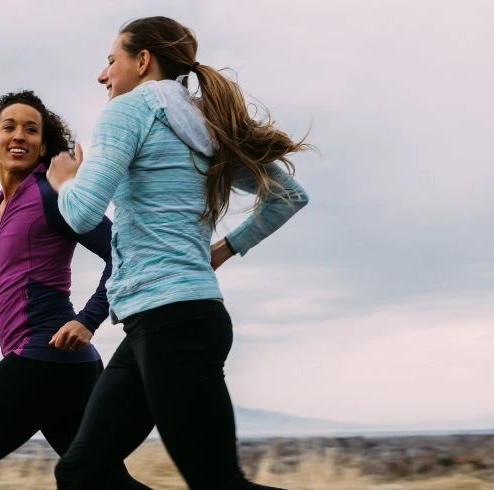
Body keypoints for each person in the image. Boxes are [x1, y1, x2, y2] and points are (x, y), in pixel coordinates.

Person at [47, 16, 311, 490]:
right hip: (161, 322)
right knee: (80, 472)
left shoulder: (128, 111)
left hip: (171, 324)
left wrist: (65, 182)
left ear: (143, 61)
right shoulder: (206, 123)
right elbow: (289, 196)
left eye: (111, 61)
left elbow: (83, 214)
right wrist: (224, 250)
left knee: (218, 483)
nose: (102, 75)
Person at [0, 90, 148, 490]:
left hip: (43, 356)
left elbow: (124, 252)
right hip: (68, 368)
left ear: (42, 146)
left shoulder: (51, 196)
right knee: (102, 482)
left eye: (31, 129)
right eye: (9, 127)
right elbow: (1, 287)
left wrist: (88, 320)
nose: (19, 135)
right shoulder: (0, 210)